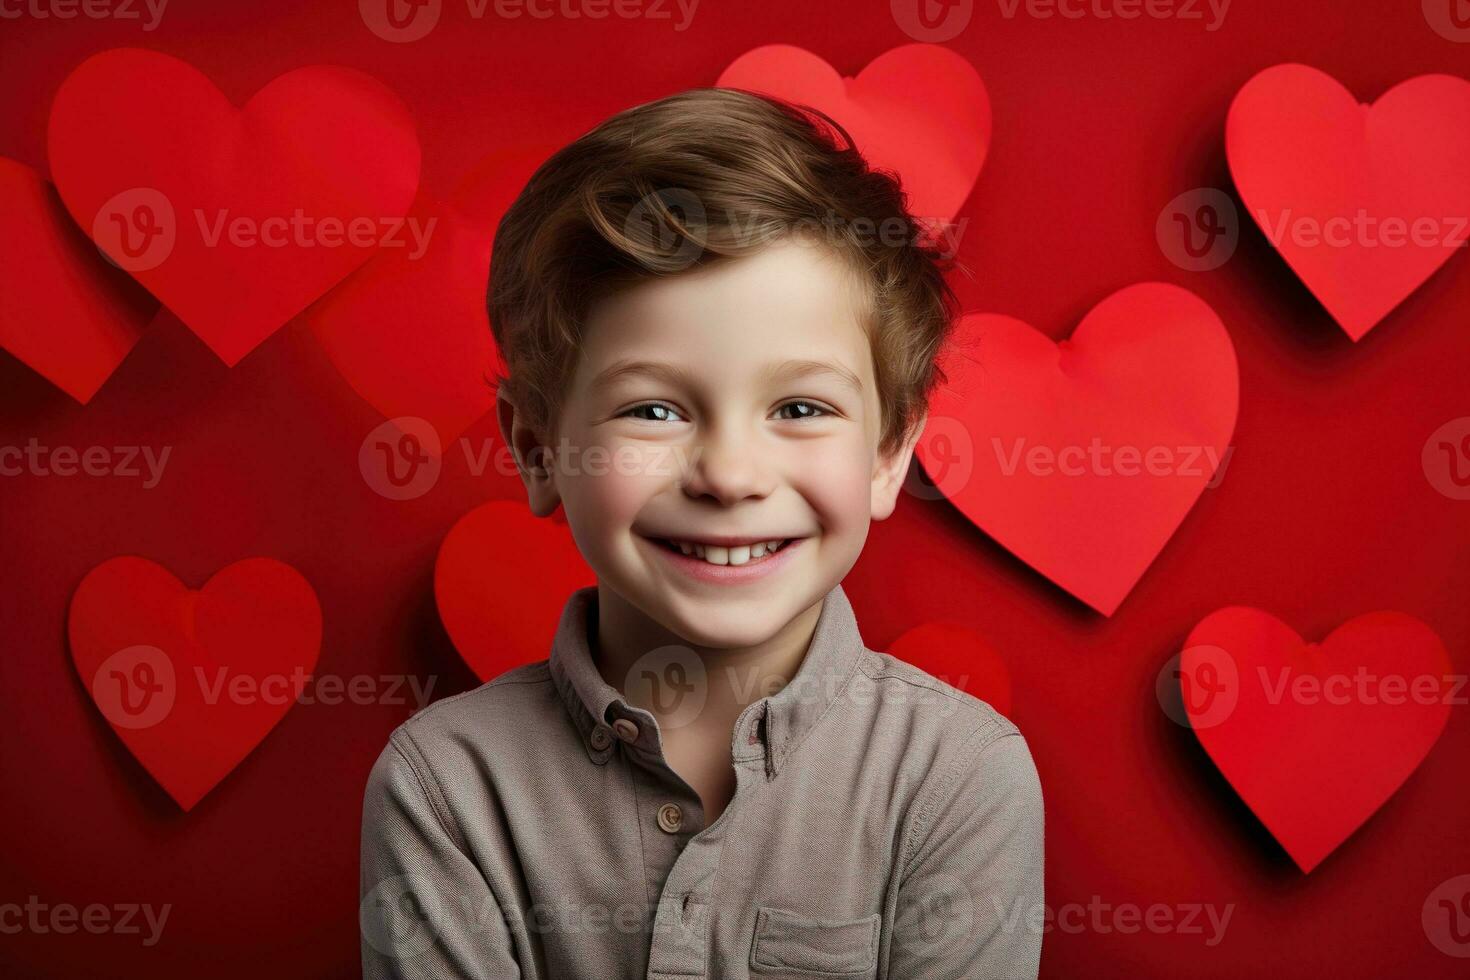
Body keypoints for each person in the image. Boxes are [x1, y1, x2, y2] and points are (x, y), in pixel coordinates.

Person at [360, 85, 1044, 979]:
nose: (729, 475)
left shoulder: (956, 779)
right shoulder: (445, 789)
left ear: (887, 455)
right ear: (538, 449)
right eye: (652, 409)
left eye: (799, 407)